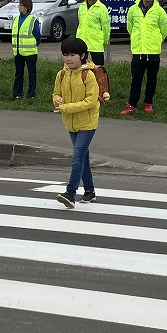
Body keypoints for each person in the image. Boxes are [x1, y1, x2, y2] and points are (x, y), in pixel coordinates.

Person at [54, 37, 100, 208]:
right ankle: (89, 192)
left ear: (82, 56)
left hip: (87, 123)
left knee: (77, 157)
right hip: (70, 123)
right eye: (65, 55)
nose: (68, 58)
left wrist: (66, 107)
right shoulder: (62, 74)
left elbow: (91, 101)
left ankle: (70, 193)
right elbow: (55, 94)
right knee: (83, 157)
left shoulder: (88, 75)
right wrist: (57, 100)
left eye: (72, 55)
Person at [120, 0, 167, 115]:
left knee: (152, 79)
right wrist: (137, 39)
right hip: (138, 51)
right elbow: (130, 27)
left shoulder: (159, 11)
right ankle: (132, 104)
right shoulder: (133, 9)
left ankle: (148, 102)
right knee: (136, 79)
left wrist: (157, 40)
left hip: (153, 51)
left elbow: (165, 30)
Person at [12, 0, 41, 99]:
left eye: (21, 5)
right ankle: (17, 93)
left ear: (26, 7)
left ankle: (31, 94)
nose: (19, 7)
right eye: (19, 5)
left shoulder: (33, 19)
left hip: (30, 52)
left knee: (32, 74)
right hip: (18, 52)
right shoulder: (16, 19)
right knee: (18, 74)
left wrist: (35, 44)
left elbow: (37, 34)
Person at [77, 0, 111, 66]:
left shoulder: (102, 8)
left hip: (96, 45)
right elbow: (80, 24)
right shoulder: (82, 7)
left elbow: (106, 28)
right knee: (82, 68)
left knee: (98, 69)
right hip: (82, 43)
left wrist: (104, 42)